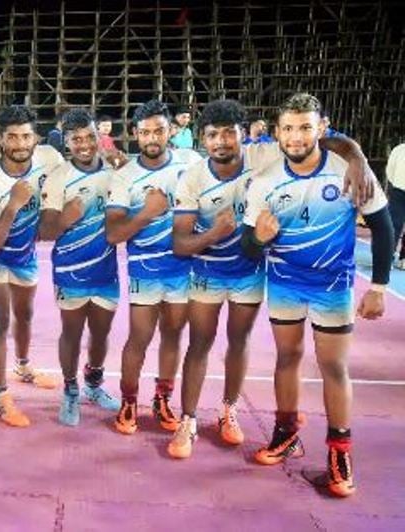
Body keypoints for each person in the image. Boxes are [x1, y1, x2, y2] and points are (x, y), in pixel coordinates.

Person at [168, 98, 375, 460]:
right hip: (207, 272)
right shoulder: (193, 178)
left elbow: (324, 140)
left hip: (250, 272)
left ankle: (228, 409)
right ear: (202, 139)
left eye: (229, 134)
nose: (222, 142)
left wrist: (356, 156)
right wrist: (213, 234)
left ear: (243, 136)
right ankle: (188, 419)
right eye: (213, 135)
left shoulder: (263, 156)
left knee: (239, 341)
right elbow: (180, 244)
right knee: (199, 344)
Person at [243, 93, 392, 498]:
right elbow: (248, 245)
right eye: (288, 128)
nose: (296, 136)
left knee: (333, 367)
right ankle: (286, 432)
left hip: (334, 286)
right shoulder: (266, 180)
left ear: (322, 129)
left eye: (305, 127)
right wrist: (258, 237)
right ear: (277, 132)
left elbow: (383, 226)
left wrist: (378, 287)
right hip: (286, 282)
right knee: (287, 358)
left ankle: (340, 454)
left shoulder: (348, 170)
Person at [105, 100, 202, 435]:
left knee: (174, 335)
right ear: (134, 134)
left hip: (184, 269)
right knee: (139, 338)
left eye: (158, 130)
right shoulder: (125, 177)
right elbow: (113, 234)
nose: (152, 137)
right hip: (145, 270)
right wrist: (147, 213)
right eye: (144, 131)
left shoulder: (191, 163)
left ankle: (163, 398)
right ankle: (129, 401)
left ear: (170, 130)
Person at [0, 104, 65, 427]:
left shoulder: (50, 159)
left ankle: (23, 366)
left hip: (25, 253)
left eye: (26, 136)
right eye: (12, 137)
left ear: (36, 137)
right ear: (1, 140)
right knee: (0, 321)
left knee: (25, 314)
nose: (20, 143)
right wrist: (13, 205)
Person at [39, 108, 121, 427]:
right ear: (67, 143)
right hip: (70, 270)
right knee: (71, 332)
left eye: (89, 136)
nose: (84, 144)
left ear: (96, 136)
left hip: (106, 269)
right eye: (76, 139)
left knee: (101, 333)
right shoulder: (59, 177)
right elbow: (45, 232)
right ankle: (70, 389)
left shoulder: (115, 171)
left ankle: (94, 385)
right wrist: (65, 219)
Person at [386, 140, 405, 269]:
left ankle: (393, 257)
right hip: (399, 190)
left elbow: (389, 171)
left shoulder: (399, 149)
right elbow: (390, 171)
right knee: (393, 224)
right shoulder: (399, 149)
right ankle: (396, 258)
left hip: (398, 189)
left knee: (394, 224)